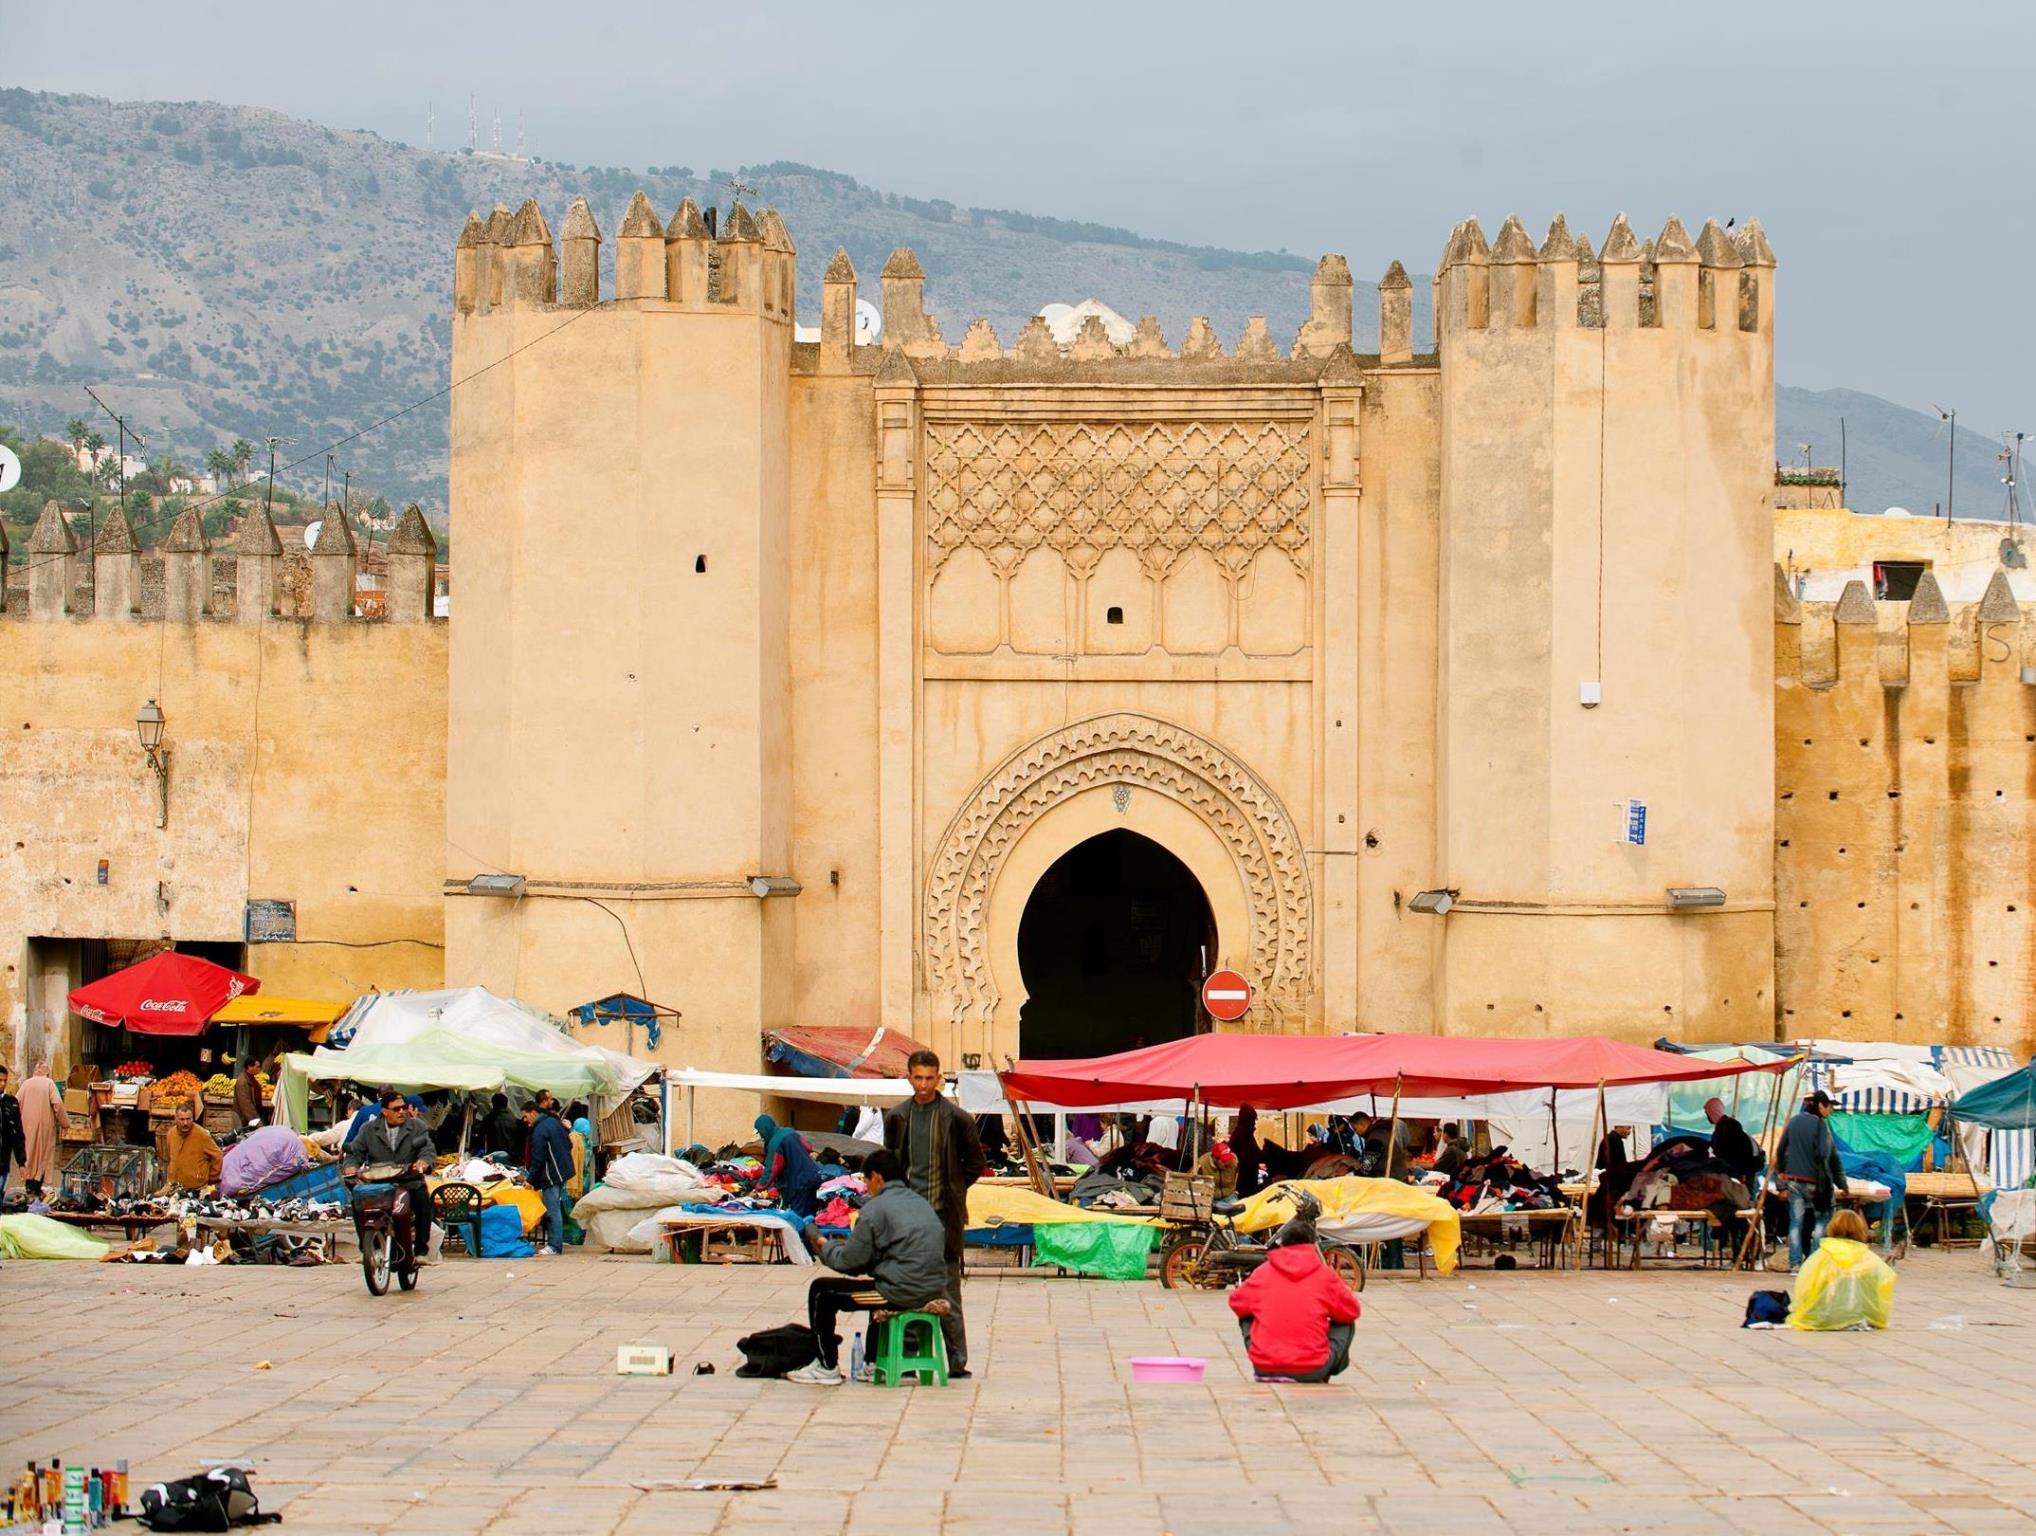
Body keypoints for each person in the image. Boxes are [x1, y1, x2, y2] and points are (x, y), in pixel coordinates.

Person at [787, 1149, 950, 1386]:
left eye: (865, 1180)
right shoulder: (921, 1204)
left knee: (822, 1291)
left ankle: (826, 1366)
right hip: (932, 1287)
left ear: (877, 1177)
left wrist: (823, 1245)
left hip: (901, 1291)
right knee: (875, 1286)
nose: (865, 1186)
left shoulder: (875, 1209)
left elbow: (849, 1263)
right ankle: (873, 1361)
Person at [883, 1048, 987, 1378]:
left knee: (947, 1291)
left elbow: (975, 1164)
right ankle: (908, 1357)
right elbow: (891, 1164)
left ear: (938, 1078)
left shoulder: (957, 1119)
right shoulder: (897, 1117)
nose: (924, 1085)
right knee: (905, 1288)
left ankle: (957, 1363)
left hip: (943, 1218)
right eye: (918, 1078)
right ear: (909, 1078)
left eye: (930, 1078)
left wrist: (954, 1188)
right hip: (907, 1220)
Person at [1227, 1211, 1361, 1382]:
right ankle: (1326, 1373)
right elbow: (1351, 1311)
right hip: (1311, 1370)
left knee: (1246, 1314)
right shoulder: (1325, 1275)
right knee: (1345, 1322)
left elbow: (1236, 1302)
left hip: (1265, 1367)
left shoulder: (1263, 1272)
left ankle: (1268, 1358)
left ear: (1282, 1245)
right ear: (1313, 1246)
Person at [343, 1090, 437, 1263]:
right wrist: (350, 1166)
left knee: (423, 1200)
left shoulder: (417, 1126)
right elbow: (355, 1152)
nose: (401, 1112)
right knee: (357, 1203)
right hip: (378, 1183)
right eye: (396, 1109)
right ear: (384, 1111)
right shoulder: (368, 1129)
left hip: (409, 1181)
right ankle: (366, 1249)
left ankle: (421, 1251)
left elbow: (428, 1150)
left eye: (403, 1108)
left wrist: (423, 1162)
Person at [1788, 1209, 1896, 1330]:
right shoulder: (1869, 1258)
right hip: (1861, 1315)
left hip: (1825, 1316)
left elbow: (1805, 1287)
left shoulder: (1821, 1256)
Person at [1776, 1090, 1848, 1270]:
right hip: (1817, 1184)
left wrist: (1781, 1184)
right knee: (1821, 1222)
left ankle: (1795, 1265)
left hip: (1794, 1182)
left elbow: (1780, 1151)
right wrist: (1842, 1184)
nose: (1830, 1110)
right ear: (1821, 1105)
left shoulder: (1794, 1122)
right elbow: (1830, 1157)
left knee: (1795, 1223)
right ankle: (1813, 1265)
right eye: (1829, 1106)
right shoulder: (1822, 1127)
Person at [523, 1100, 575, 1256]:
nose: (525, 1121)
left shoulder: (539, 1131)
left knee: (553, 1211)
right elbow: (569, 1143)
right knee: (555, 1209)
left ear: (533, 1113)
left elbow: (538, 1158)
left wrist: (530, 1179)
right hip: (562, 1171)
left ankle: (554, 1245)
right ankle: (555, 1243)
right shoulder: (554, 1122)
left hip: (551, 1174)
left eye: (526, 1117)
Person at [754, 1114, 824, 1219]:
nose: (761, 1136)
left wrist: (759, 1187)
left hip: (798, 1184)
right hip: (813, 1177)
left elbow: (772, 1169)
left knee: (798, 1219)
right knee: (810, 1216)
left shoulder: (775, 1143)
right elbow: (808, 1147)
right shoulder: (790, 1132)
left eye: (760, 1132)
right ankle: (813, 1234)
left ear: (765, 1129)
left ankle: (800, 1235)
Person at [17, 1060, 63, 1204]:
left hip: (26, 1125)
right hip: (44, 1126)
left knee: (29, 1155)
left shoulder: (26, 1084)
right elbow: (58, 1104)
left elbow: (16, 1101)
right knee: (43, 1156)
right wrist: (65, 1122)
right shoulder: (49, 1084)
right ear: (47, 1072)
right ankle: (36, 1187)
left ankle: (29, 1186)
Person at [162, 1100, 224, 1192]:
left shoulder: (201, 1135)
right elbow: (168, 1158)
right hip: (173, 1187)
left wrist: (211, 1179)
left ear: (193, 1118)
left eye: (188, 1119)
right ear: (175, 1118)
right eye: (182, 1119)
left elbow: (218, 1156)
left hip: (196, 1188)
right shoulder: (170, 1134)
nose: (185, 1123)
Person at [1704, 1097, 1762, 1184]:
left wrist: (1741, 1173)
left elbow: (1740, 1149)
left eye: (1707, 1113)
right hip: (1741, 1165)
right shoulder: (1721, 1126)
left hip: (1748, 1164)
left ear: (1713, 1111)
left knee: (1745, 1193)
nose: (1707, 1116)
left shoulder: (1729, 1126)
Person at [0, 1066, 26, 1205]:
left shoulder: (11, 1103)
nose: (3, 1084)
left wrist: (21, 1162)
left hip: (4, 1157)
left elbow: (18, 1134)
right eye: (0, 1080)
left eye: (5, 1081)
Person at [1231, 1106, 1265, 1196]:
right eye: (1253, 1120)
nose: (1254, 1124)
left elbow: (1256, 1153)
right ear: (1247, 1120)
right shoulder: (1240, 1136)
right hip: (1243, 1181)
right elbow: (1248, 1157)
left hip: (1249, 1179)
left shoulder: (1247, 1135)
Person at [483, 1093, 522, 1159]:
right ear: (506, 1104)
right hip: (511, 1158)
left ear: (493, 1104)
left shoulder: (487, 1119)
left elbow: (482, 1138)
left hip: (492, 1158)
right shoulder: (516, 1121)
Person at [232, 1058, 266, 1130]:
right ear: (250, 1067)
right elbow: (245, 1104)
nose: (259, 1069)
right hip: (244, 1119)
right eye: (257, 1067)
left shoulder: (252, 1078)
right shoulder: (242, 1081)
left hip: (252, 1117)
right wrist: (256, 1121)